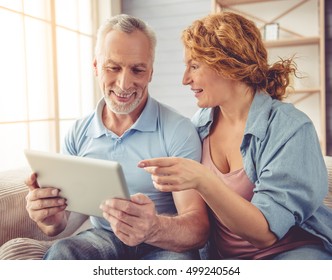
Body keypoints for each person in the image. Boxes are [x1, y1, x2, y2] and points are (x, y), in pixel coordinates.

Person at [138, 11, 332, 260]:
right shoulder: (197, 127)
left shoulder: (290, 128)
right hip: (223, 260)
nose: (185, 79)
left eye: (194, 66)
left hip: (291, 252)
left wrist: (203, 179)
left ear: (228, 65)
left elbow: (265, 234)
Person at [25, 14, 209, 260]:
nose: (124, 84)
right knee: (62, 252)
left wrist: (154, 227)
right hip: (104, 236)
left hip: (164, 244)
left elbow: (198, 230)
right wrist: (50, 218)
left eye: (137, 69)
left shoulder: (178, 131)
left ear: (151, 72)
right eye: (113, 67)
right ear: (95, 67)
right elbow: (58, 226)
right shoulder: (79, 133)